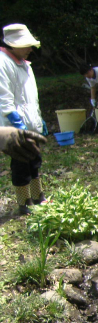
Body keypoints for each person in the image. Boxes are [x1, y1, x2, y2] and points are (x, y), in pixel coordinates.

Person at [0, 24, 48, 215]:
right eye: (26, 45)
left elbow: (30, 98)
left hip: (30, 124)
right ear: (12, 45)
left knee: (35, 160)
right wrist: (18, 125)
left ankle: (38, 196)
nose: (30, 49)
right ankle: (24, 203)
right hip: (15, 127)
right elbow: (4, 100)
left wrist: (39, 120)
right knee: (21, 164)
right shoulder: (3, 63)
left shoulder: (24, 64)